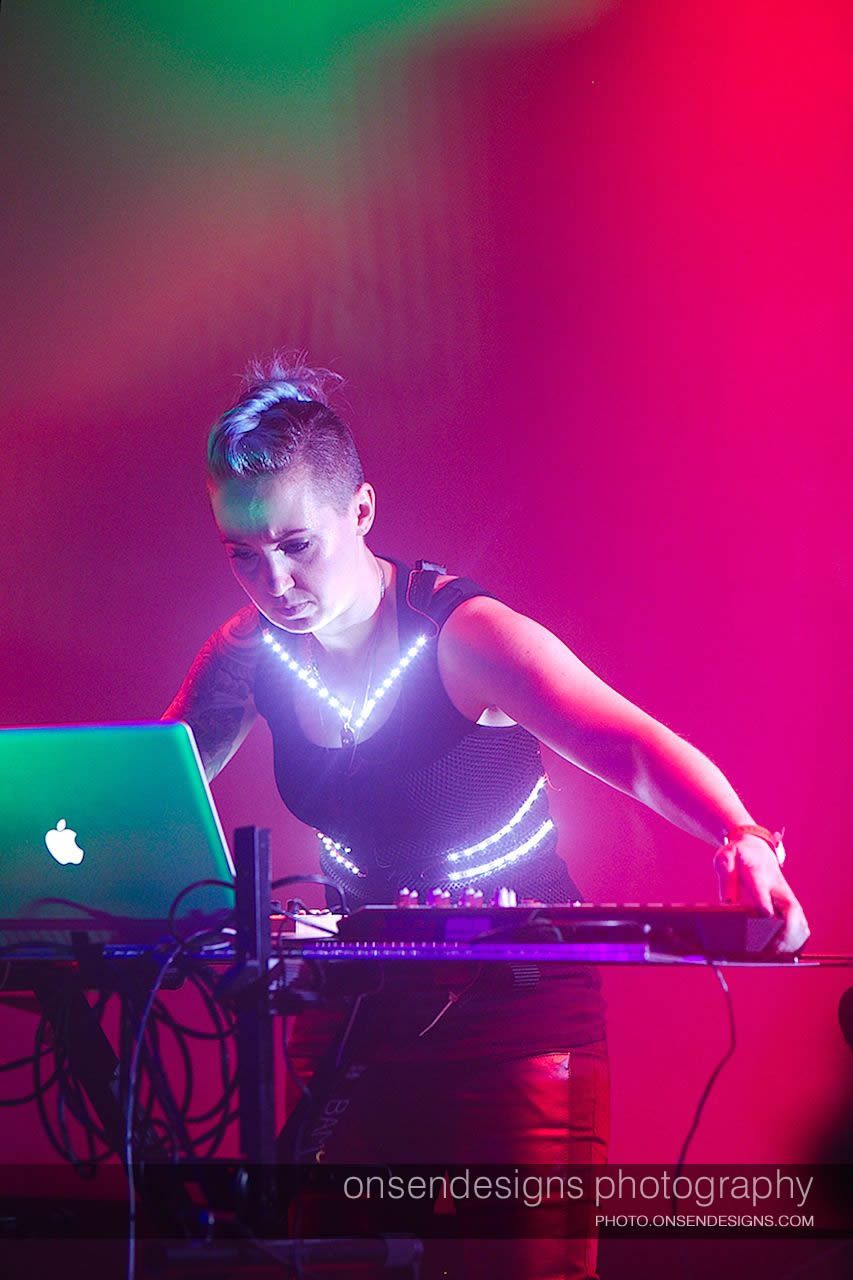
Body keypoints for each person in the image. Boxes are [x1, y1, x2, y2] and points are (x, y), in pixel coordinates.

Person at [163, 356, 808, 1279]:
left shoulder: (461, 635)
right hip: (350, 1015)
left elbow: (627, 745)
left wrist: (742, 838)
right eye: (242, 554)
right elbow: (153, 786)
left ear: (361, 511)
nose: (273, 581)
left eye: (296, 544)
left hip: (515, 1014)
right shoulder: (248, 652)